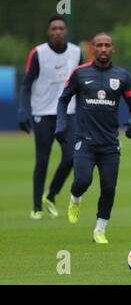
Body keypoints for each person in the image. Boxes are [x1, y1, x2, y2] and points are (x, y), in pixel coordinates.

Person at [55, 33, 131, 244]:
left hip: (110, 143)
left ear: (113, 49)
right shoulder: (80, 73)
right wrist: (61, 124)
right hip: (84, 141)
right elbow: (63, 100)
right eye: (99, 45)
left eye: (107, 45)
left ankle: (100, 229)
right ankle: (75, 198)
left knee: (109, 188)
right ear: (92, 49)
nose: (103, 49)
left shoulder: (123, 76)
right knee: (82, 180)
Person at [18, 15, 82, 220]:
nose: (57, 32)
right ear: (48, 32)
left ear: (66, 31)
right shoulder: (38, 53)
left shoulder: (76, 52)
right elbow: (27, 84)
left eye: (61, 28)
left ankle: (51, 195)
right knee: (42, 160)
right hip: (43, 113)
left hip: (68, 112)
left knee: (71, 156)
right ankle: (36, 206)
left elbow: (80, 84)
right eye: (53, 28)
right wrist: (23, 111)